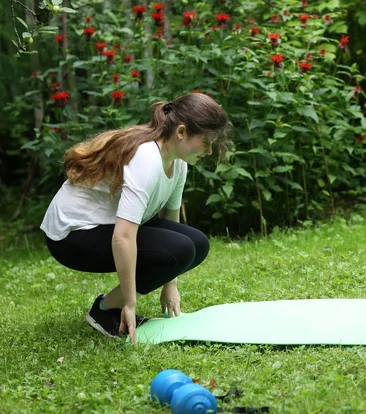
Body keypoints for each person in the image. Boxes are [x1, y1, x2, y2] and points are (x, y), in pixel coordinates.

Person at [40, 93, 232, 344]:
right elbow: (123, 237)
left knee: (196, 243)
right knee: (182, 249)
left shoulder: (178, 162)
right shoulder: (146, 158)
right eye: (206, 142)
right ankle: (107, 309)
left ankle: (111, 306)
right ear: (181, 132)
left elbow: (171, 222)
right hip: (70, 236)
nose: (209, 151)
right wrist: (129, 302)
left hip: (106, 226)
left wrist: (169, 283)